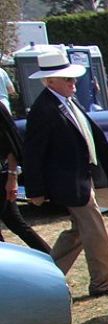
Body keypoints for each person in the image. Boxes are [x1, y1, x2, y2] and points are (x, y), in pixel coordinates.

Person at [22, 49, 108, 297]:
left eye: (72, 78)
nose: (73, 83)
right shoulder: (44, 109)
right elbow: (33, 154)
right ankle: (101, 282)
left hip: (80, 178)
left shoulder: (65, 102)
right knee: (94, 229)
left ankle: (44, 279)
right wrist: (35, 190)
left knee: (78, 233)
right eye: (67, 79)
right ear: (50, 81)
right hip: (68, 182)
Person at [0, 103, 51, 254]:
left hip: (2, 176)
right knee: (15, 222)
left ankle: (52, 260)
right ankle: (51, 258)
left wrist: (12, 177)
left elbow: (12, 146)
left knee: (16, 223)